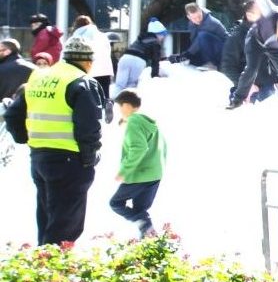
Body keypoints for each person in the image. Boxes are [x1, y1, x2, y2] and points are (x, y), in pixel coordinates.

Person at [5, 37, 103, 244]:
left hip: (39, 158)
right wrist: (89, 159)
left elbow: (12, 115)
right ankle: (54, 273)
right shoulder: (81, 81)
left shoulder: (38, 77)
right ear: (87, 61)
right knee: (65, 227)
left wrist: (25, 138)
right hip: (70, 161)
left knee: (47, 219)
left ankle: (40, 268)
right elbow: (89, 128)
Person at [107, 89, 165, 239]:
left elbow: (138, 148)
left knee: (116, 203)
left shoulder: (134, 121)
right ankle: (148, 242)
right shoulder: (150, 122)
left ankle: (146, 229)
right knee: (141, 210)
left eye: (120, 108)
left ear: (126, 105)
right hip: (155, 173)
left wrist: (124, 170)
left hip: (140, 174)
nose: (120, 111)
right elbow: (163, 146)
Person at [71, 16, 114, 120]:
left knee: (91, 95)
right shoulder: (102, 35)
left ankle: (95, 114)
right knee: (104, 92)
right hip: (105, 69)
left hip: (90, 69)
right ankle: (107, 102)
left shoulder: (78, 35)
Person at [113, 21, 167, 94]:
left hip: (125, 58)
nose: (163, 37)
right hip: (138, 61)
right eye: (163, 34)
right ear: (158, 34)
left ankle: (113, 102)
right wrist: (155, 76)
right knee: (131, 86)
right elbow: (155, 61)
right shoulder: (155, 43)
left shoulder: (140, 38)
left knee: (119, 85)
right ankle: (128, 103)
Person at [181, 3, 230, 70]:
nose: (198, 20)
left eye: (199, 16)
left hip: (223, 51)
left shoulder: (210, 22)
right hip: (208, 51)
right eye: (194, 18)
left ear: (201, 11)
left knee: (202, 35)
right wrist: (184, 56)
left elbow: (197, 42)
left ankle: (212, 64)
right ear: (189, 17)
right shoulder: (191, 24)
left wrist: (187, 54)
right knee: (191, 60)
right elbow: (194, 41)